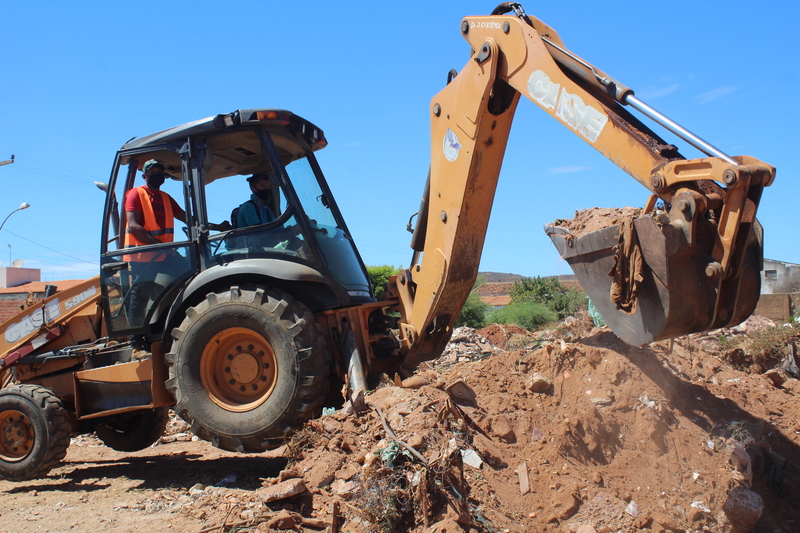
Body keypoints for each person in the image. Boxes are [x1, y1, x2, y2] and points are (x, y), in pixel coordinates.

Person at [123, 159, 187, 354]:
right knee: (139, 297)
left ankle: (163, 330)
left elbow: (186, 216)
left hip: (163, 255)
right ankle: (136, 343)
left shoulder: (166, 198)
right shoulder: (135, 194)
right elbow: (134, 225)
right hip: (142, 256)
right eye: (153, 171)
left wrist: (213, 226)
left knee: (186, 275)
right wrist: (161, 247)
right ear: (145, 176)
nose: (158, 173)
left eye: (160, 170)